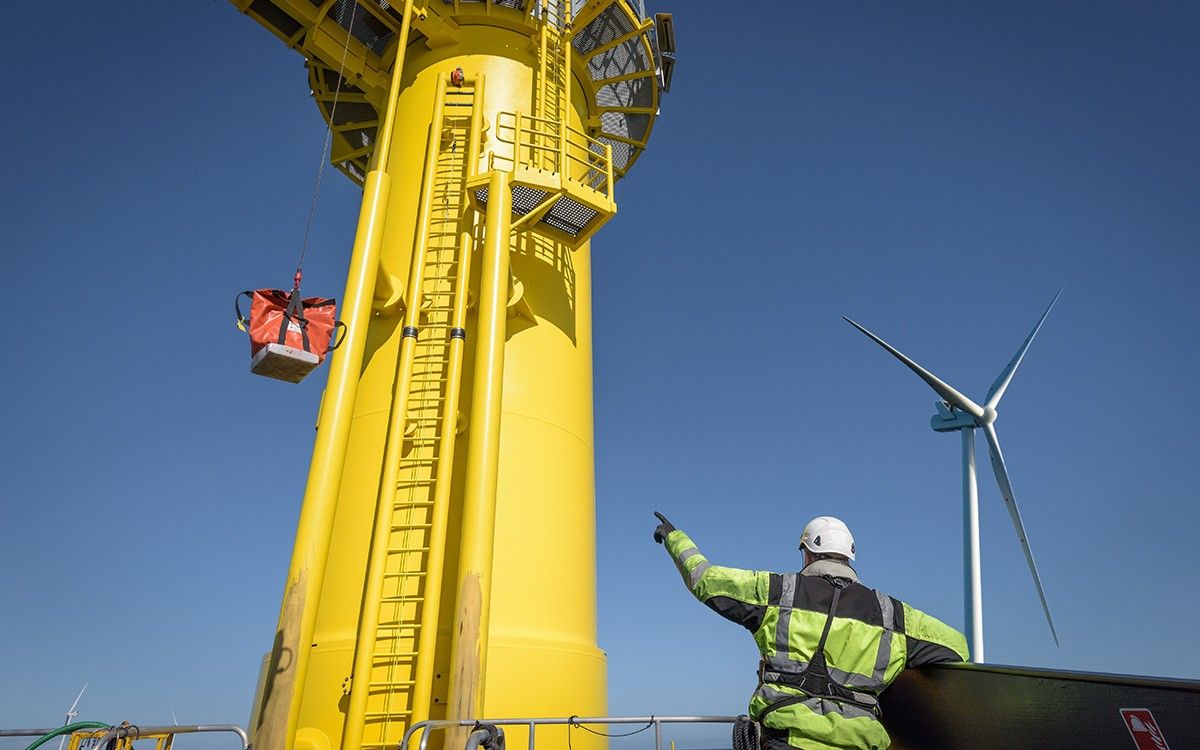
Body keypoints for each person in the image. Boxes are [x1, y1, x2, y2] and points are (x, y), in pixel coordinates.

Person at [653, 512, 967, 750]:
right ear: (850, 556)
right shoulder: (892, 615)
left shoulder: (780, 592)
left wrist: (673, 537)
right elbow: (957, 647)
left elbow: (705, 581)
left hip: (785, 742)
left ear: (806, 553)